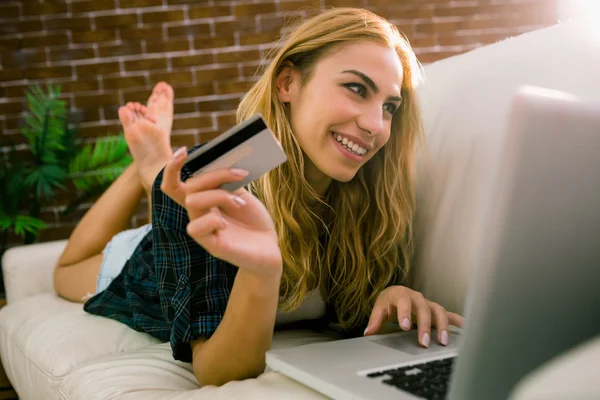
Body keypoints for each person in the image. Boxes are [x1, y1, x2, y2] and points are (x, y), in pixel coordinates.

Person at [53, 7, 464, 387]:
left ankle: (158, 173)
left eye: (390, 106)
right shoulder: (217, 176)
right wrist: (262, 270)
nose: (376, 124)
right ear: (288, 83)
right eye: (356, 88)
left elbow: (349, 309)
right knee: (66, 271)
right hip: (146, 259)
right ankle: (147, 170)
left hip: (190, 199)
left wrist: (389, 297)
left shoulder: (377, 195)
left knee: (172, 183)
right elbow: (217, 372)